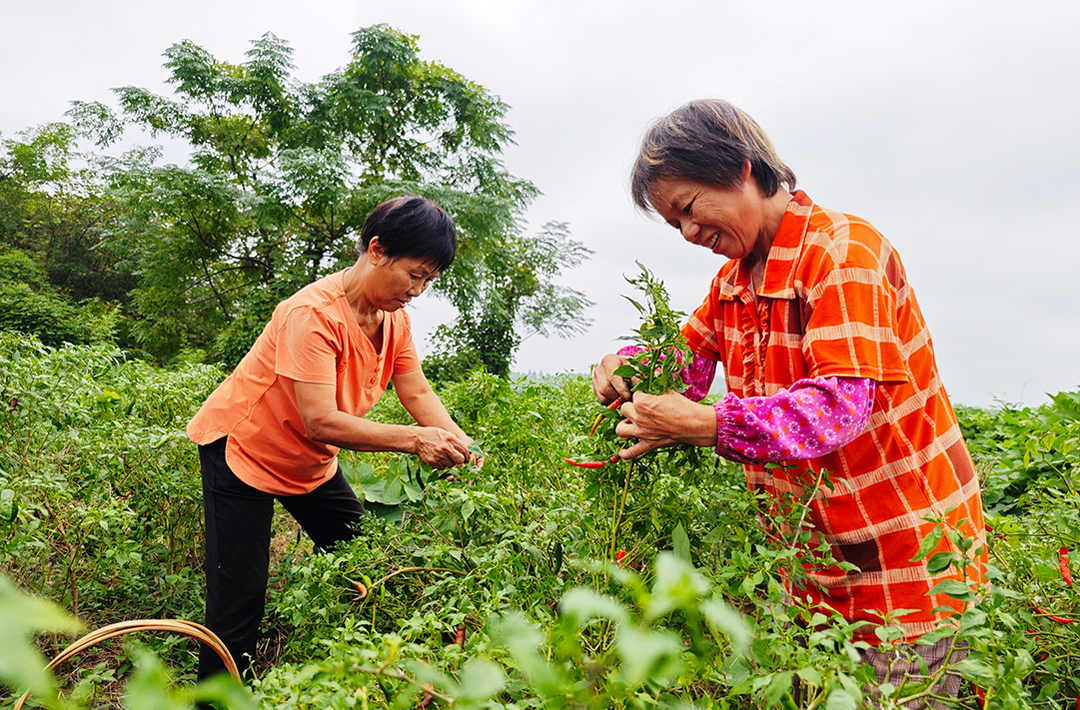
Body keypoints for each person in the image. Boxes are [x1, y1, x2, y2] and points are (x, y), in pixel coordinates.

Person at [592, 100, 985, 700]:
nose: (690, 234)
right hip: (808, 580)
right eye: (675, 226)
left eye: (690, 209)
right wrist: (627, 369)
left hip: (905, 574)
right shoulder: (732, 284)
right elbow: (685, 367)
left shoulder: (842, 252)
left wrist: (703, 425)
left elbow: (837, 407)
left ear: (740, 168)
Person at [187, 196, 477, 680]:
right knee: (239, 598)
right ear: (378, 250)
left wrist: (462, 444)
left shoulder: (395, 319)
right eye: (414, 274)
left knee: (364, 558)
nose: (419, 290)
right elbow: (320, 420)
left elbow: (417, 390)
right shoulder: (311, 314)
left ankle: (357, 668)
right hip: (242, 451)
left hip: (308, 461)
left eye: (430, 280)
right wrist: (414, 440)